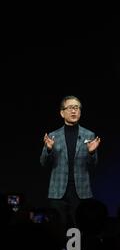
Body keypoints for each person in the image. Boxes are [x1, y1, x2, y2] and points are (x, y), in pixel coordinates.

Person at [40, 96, 101, 229]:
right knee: (58, 228)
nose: (74, 111)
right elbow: (44, 163)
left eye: (76, 108)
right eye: (70, 108)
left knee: (78, 228)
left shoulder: (89, 135)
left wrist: (91, 153)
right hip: (58, 191)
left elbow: (94, 164)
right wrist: (49, 149)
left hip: (80, 191)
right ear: (62, 112)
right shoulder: (53, 136)